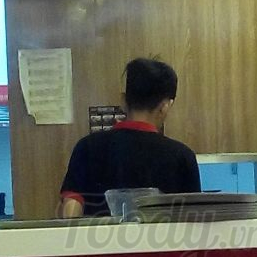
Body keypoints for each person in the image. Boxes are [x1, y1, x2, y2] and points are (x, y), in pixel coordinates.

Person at [59, 57, 200, 218]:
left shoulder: (87, 147)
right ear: (164, 106)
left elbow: (71, 208)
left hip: (97, 235)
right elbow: (194, 220)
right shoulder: (182, 157)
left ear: (123, 101)